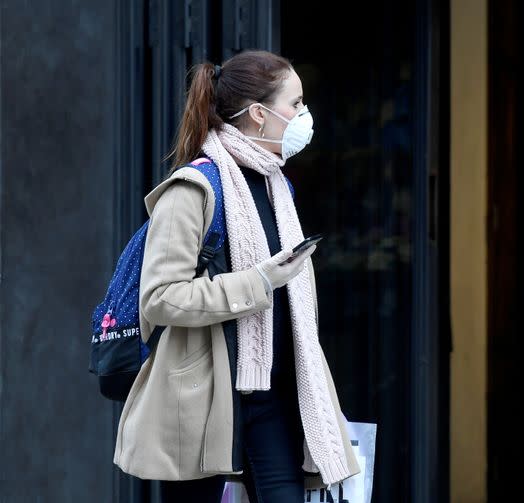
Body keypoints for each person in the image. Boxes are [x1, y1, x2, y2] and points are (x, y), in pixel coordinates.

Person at [112, 49, 360, 503]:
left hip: (277, 397)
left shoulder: (276, 184)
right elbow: (160, 298)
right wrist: (259, 283)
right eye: (296, 104)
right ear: (260, 116)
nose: (305, 115)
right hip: (203, 402)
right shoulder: (194, 189)